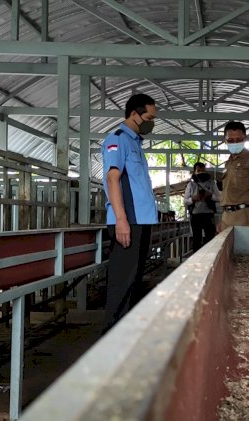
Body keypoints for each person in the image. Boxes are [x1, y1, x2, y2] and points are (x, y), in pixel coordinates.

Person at [101, 93, 158, 333]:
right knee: (122, 281)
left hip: (141, 221)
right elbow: (112, 179)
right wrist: (121, 220)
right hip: (128, 222)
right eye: (149, 117)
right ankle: (112, 337)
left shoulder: (136, 143)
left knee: (134, 279)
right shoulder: (117, 140)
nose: (151, 122)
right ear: (134, 114)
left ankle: (127, 333)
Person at [218, 121, 249, 230]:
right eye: (230, 140)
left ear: (245, 139)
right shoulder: (228, 163)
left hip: (245, 216)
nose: (235, 143)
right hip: (227, 217)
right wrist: (222, 221)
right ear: (225, 140)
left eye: (238, 140)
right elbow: (227, 194)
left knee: (243, 247)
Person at [184, 162, 221, 251]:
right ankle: (196, 261)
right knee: (197, 239)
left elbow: (219, 198)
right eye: (199, 170)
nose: (201, 172)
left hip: (208, 215)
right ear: (194, 171)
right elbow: (185, 201)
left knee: (210, 238)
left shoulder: (212, 183)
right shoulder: (191, 185)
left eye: (203, 170)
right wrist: (193, 199)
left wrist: (210, 195)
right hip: (195, 215)